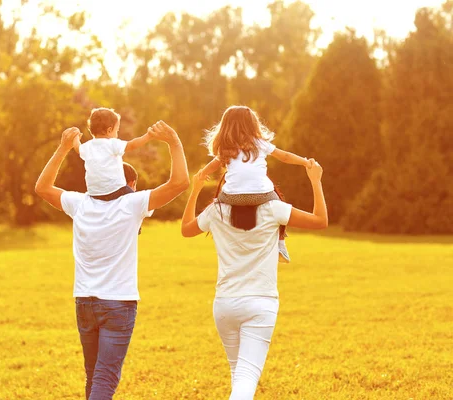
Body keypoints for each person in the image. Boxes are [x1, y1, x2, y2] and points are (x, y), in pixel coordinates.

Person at [35, 121, 189, 400]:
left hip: (85, 301)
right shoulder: (131, 204)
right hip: (118, 303)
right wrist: (174, 142)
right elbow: (179, 183)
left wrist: (62, 149)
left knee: (94, 375)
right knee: (104, 378)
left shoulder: (80, 204)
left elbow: (43, 188)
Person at [181, 160, 328, 400]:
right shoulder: (274, 208)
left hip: (225, 305)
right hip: (260, 305)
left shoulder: (216, 210)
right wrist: (315, 181)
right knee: (245, 379)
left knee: (239, 376)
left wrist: (196, 189)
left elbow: (186, 229)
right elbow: (320, 221)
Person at [200, 105, 312, 263]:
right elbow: (285, 156)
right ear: (252, 124)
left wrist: (202, 174)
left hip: (231, 197)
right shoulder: (259, 143)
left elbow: (213, 165)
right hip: (262, 195)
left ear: (226, 126)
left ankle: (225, 236)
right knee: (280, 206)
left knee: (217, 205)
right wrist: (305, 162)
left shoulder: (226, 147)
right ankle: (280, 243)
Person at [73, 107, 152, 198]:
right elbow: (132, 145)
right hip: (115, 190)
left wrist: (75, 138)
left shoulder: (87, 146)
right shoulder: (112, 143)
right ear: (109, 130)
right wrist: (148, 136)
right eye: (116, 130)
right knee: (134, 199)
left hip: (94, 193)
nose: (117, 134)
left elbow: (77, 148)